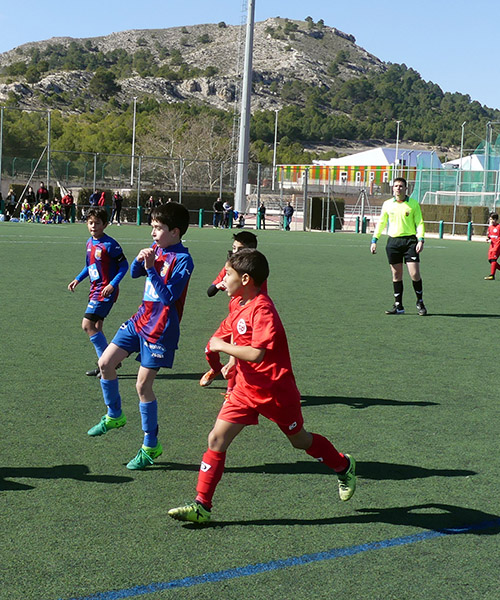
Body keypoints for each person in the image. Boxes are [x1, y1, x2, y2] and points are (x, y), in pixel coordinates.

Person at [167, 249, 355, 523]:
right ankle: (202, 506)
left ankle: (344, 465)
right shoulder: (240, 306)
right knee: (216, 439)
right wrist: (217, 360)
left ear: (245, 279)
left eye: (227, 274)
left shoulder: (262, 308)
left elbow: (257, 353)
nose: (222, 280)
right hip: (244, 390)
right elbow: (220, 337)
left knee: (299, 440)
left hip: (275, 391)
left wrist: (223, 347)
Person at [88, 202, 194, 470]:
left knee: (142, 387)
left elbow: (169, 297)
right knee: (105, 364)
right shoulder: (157, 249)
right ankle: (114, 415)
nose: (153, 233)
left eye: (158, 228)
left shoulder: (183, 261)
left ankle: (150, 444)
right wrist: (139, 261)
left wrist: (151, 269)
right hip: (139, 320)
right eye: (153, 227)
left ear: (175, 232)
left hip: (161, 329)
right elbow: (135, 274)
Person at [69, 207, 128, 376]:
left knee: (87, 325)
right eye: (90, 223)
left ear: (105, 224)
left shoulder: (110, 244)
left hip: (105, 292)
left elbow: (124, 266)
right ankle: (106, 364)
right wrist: (78, 279)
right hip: (94, 289)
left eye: (97, 223)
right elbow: (90, 266)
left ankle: (107, 363)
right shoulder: (89, 242)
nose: (93, 226)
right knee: (97, 326)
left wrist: (112, 285)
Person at [200, 231, 260, 391]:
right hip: (232, 318)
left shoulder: (254, 271)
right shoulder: (231, 267)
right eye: (233, 248)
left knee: (238, 357)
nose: (234, 253)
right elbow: (210, 291)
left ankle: (231, 392)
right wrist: (219, 285)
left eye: (239, 249)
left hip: (246, 319)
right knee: (210, 348)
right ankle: (216, 369)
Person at [370, 177, 427, 316]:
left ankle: (420, 302)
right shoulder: (387, 204)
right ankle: (398, 306)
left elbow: (419, 222)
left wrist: (420, 239)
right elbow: (382, 222)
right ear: (393, 188)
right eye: (396, 186)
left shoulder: (413, 204)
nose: (398, 188)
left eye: (401, 186)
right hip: (393, 242)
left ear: (406, 188)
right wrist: (374, 239)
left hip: (410, 242)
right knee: (396, 274)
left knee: (414, 274)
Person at [484, 212, 500, 280]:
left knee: (493, 260)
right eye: (490, 219)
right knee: (490, 261)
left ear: (495, 220)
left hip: (498, 246)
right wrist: (488, 238)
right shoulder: (490, 227)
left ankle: (492, 275)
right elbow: (489, 235)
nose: (490, 220)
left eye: (492, 219)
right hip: (492, 246)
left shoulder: (499, 227)